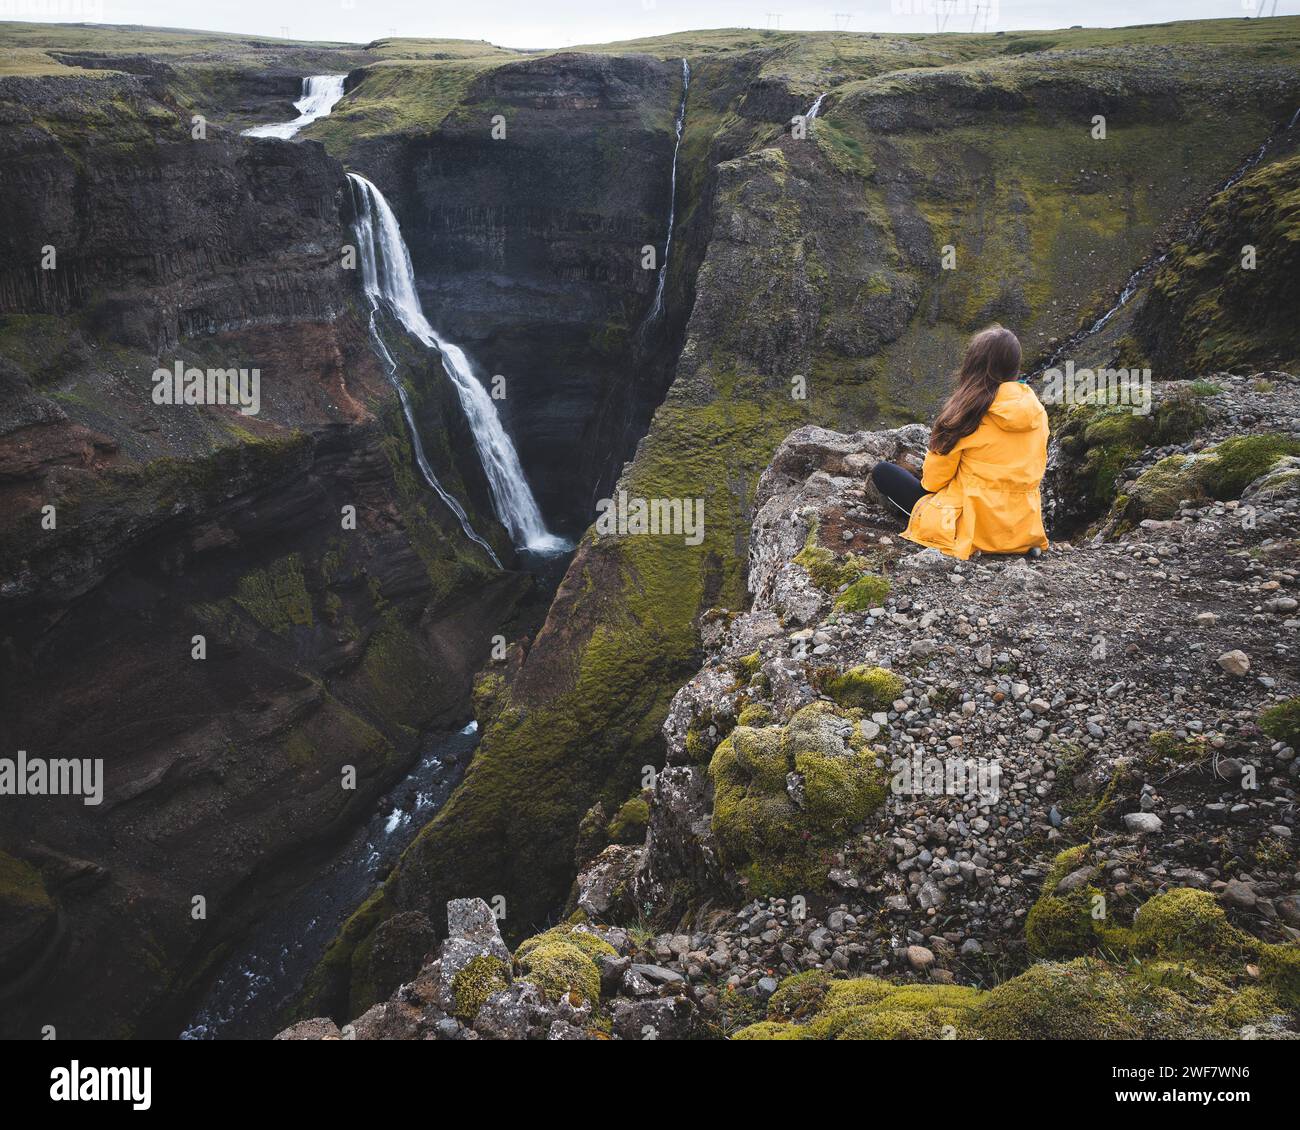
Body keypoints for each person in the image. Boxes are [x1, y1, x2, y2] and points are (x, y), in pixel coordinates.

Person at [871, 325, 1049, 560]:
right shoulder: (1037, 412)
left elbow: (933, 482)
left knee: (883, 472)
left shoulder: (968, 413)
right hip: (1022, 529)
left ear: (972, 365)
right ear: (1015, 367)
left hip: (972, 529)